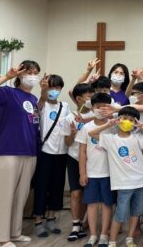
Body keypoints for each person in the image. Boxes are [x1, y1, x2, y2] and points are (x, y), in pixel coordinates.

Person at [0, 61, 42, 247]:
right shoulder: (9, 93)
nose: (33, 76)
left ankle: (15, 233)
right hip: (9, 151)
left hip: (29, 152)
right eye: (29, 72)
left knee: (21, 196)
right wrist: (7, 76)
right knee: (5, 196)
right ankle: (3, 239)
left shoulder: (33, 99)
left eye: (36, 73)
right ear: (20, 74)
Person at [89, 106, 143, 247]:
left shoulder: (137, 137)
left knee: (136, 212)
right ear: (118, 119)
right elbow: (91, 133)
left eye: (131, 120)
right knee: (120, 214)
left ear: (135, 123)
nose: (127, 121)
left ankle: (130, 238)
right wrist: (109, 124)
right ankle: (112, 241)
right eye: (124, 118)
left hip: (141, 181)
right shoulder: (110, 139)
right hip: (123, 184)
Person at [33, 74, 70, 237]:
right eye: (50, 87)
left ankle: (51, 218)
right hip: (45, 152)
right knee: (42, 186)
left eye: (57, 87)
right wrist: (43, 89)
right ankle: (38, 221)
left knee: (57, 186)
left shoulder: (65, 106)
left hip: (62, 152)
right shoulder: (42, 104)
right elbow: (41, 100)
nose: (53, 90)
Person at [76, 92, 115, 247]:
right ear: (92, 108)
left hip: (110, 173)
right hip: (92, 173)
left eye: (105, 107)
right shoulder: (87, 127)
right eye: (98, 107)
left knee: (107, 204)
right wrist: (82, 173)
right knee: (91, 204)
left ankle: (104, 234)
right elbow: (82, 152)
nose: (101, 110)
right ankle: (93, 235)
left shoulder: (113, 125)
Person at [61, 86, 92, 242]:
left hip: (91, 159)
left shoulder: (95, 116)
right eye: (88, 96)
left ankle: (82, 222)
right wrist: (72, 135)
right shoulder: (69, 118)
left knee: (86, 193)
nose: (91, 99)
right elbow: (67, 143)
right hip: (73, 157)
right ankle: (75, 225)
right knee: (75, 193)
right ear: (78, 99)